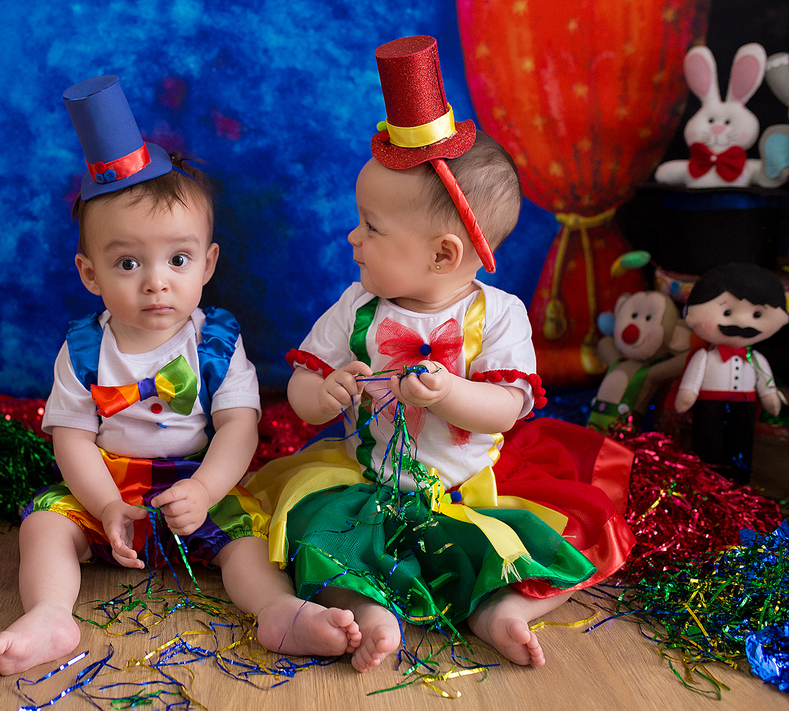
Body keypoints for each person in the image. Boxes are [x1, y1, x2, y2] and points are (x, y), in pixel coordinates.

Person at [247, 36, 635, 672]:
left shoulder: (499, 314)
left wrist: (451, 393)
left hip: (470, 486)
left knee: (541, 545)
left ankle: (500, 611)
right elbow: (301, 389)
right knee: (320, 536)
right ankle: (368, 609)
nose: (354, 237)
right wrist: (325, 393)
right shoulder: (358, 307)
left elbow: (509, 409)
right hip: (367, 480)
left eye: (371, 227)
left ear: (444, 254)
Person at [0, 75, 359, 678]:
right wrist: (104, 505)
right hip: (107, 485)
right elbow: (72, 438)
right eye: (128, 262)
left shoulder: (215, 342)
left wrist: (208, 490)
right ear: (89, 273)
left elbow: (239, 426)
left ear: (207, 263)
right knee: (45, 526)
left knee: (246, 540)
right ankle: (52, 613)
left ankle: (275, 611)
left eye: (177, 259)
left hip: (193, 481)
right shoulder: (84, 349)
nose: (156, 281)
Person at [675, 262, 788, 484]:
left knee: (742, 445)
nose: (743, 322)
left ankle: (739, 484)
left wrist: (770, 397)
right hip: (709, 406)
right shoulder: (705, 356)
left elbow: (766, 385)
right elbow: (691, 384)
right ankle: (706, 481)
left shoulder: (756, 359)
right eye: (727, 312)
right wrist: (687, 395)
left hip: (744, 408)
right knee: (707, 443)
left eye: (757, 314)